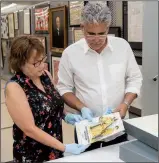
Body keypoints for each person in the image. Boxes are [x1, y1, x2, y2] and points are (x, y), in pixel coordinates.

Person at [57, 2, 142, 151]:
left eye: (101, 34)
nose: (96, 39)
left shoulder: (122, 47)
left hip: (117, 127)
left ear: (107, 28)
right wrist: (81, 107)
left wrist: (125, 104)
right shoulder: (70, 54)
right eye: (91, 34)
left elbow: (134, 78)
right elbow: (64, 88)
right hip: (87, 128)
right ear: (82, 28)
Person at [5, 35, 88, 162]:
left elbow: (53, 103)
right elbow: (29, 129)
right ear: (20, 63)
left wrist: (66, 115)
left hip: (54, 146)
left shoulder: (45, 76)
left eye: (42, 60)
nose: (42, 66)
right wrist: (64, 147)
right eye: (36, 63)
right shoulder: (15, 87)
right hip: (32, 152)